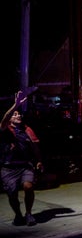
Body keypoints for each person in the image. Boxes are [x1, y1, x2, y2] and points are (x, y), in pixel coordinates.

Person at [1, 90, 43, 226]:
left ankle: (29, 214)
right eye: (15, 114)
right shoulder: (5, 129)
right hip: (8, 167)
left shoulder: (27, 130)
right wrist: (16, 104)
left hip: (25, 165)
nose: (17, 115)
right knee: (12, 192)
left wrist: (39, 161)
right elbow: (4, 118)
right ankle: (18, 215)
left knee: (28, 186)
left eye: (18, 113)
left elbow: (35, 147)